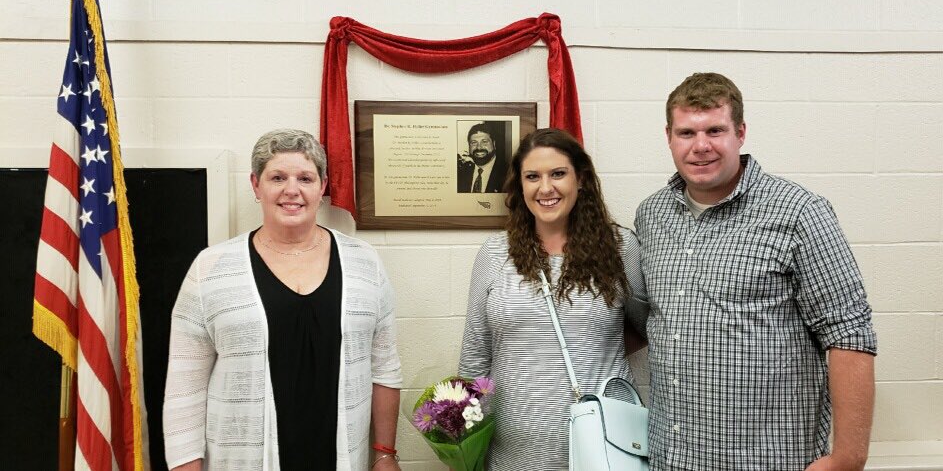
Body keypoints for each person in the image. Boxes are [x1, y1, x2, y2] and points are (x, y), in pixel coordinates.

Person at [631, 72, 877, 470]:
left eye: (715, 130)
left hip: (768, 458)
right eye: (686, 133)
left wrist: (848, 458)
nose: (701, 146)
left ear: (740, 133)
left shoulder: (799, 212)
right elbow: (650, 320)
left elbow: (849, 332)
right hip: (672, 457)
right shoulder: (652, 214)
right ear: (668, 137)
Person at [163, 129, 402, 471]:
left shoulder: (365, 263)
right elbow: (185, 387)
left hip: (340, 459)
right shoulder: (210, 268)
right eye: (277, 177)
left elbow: (385, 369)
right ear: (255, 185)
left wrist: (384, 453)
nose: (292, 190)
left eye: (305, 178)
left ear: (322, 187)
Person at [459, 128, 648, 471]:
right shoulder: (494, 253)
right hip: (510, 452)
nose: (545, 188)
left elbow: (651, 327)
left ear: (581, 180)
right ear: (520, 186)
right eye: (533, 176)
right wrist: (463, 445)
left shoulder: (621, 248)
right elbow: (475, 356)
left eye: (558, 173)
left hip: (602, 447)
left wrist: (594, 347)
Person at [457, 121, 508, 193]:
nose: (479, 147)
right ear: (469, 146)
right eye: (474, 142)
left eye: (484, 142)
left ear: (494, 144)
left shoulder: (508, 173)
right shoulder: (461, 174)